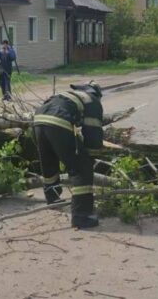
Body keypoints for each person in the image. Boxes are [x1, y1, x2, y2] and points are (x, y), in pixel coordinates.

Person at [32, 81, 104, 229]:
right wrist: (91, 156)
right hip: (58, 121)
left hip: (38, 120)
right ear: (96, 93)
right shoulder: (93, 101)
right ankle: (81, 216)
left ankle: (52, 198)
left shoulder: (68, 95)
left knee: (49, 161)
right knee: (82, 168)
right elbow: (93, 133)